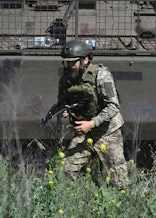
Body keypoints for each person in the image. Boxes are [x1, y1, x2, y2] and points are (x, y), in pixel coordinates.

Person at [52, 39, 128, 186]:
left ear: (85, 60)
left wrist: (92, 123)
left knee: (119, 181)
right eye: (66, 62)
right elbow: (65, 101)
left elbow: (113, 106)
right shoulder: (66, 79)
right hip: (84, 132)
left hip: (107, 131)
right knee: (66, 172)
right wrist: (66, 111)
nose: (69, 66)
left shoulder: (101, 75)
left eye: (73, 62)